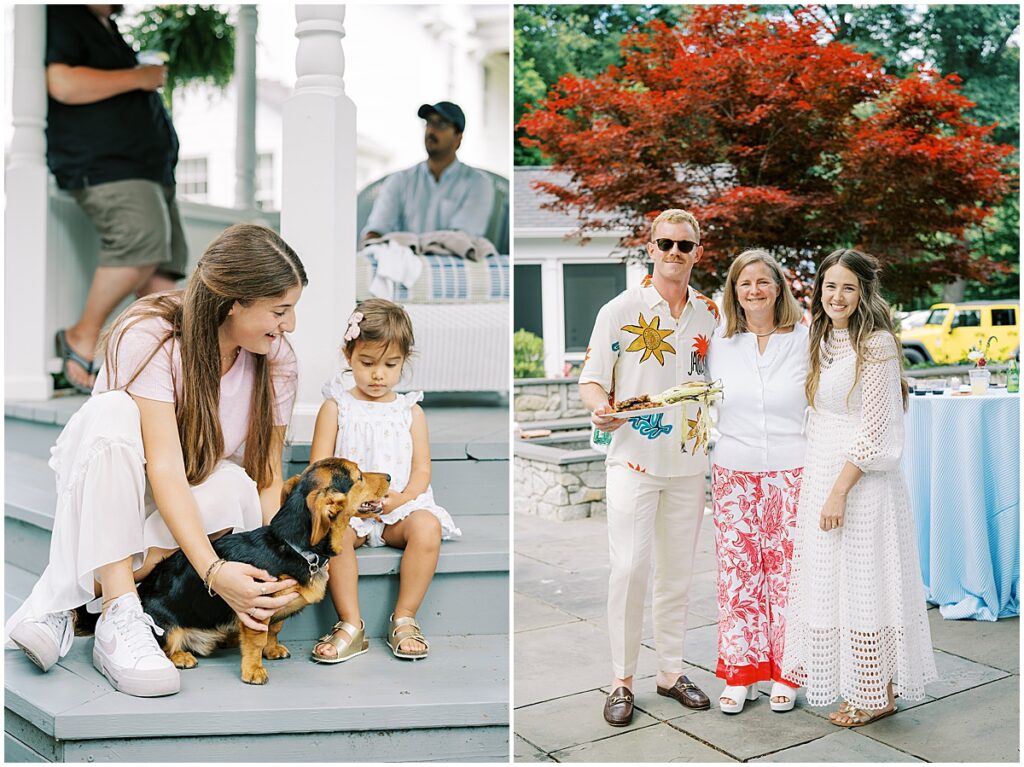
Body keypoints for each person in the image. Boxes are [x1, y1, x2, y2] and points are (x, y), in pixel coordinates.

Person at [5, 224, 307, 697]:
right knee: (112, 409)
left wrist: (282, 559)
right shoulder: (151, 334)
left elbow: (266, 476)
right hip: (115, 488)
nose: (288, 325)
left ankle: (66, 605)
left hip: (182, 504)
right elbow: (163, 469)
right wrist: (212, 571)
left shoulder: (276, 359)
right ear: (234, 302)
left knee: (236, 487)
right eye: (280, 310)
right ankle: (119, 609)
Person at [781, 249, 937, 726]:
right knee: (838, 584)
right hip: (824, 469)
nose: (837, 296)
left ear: (864, 291)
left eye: (848, 287)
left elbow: (877, 431)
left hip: (861, 483)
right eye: (830, 286)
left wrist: (838, 492)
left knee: (866, 583)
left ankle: (876, 694)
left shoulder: (877, 344)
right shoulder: (824, 338)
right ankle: (868, 684)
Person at [579, 209, 719, 727]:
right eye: (666, 244)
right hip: (633, 460)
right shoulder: (619, 309)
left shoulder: (711, 313)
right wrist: (600, 407)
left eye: (685, 246)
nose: (674, 254)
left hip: (688, 462)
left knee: (677, 575)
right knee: (631, 569)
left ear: (697, 252)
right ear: (651, 247)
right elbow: (592, 379)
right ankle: (621, 680)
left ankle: (671, 671)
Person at [308, 298, 461, 663]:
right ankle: (350, 624)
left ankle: (405, 617)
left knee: (427, 528)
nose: (378, 375)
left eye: (390, 365)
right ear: (348, 354)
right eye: (367, 363)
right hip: (349, 512)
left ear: (404, 361)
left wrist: (403, 499)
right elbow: (319, 469)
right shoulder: (337, 407)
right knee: (337, 536)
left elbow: (422, 470)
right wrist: (346, 504)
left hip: (399, 510)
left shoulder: (410, 410)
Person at [46, 4, 187, 394]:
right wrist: (138, 78)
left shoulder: (110, 29)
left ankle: (155, 374)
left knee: (164, 277)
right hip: (109, 166)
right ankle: (80, 337)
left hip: (151, 171)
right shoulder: (63, 17)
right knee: (141, 244)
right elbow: (62, 84)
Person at [707, 249, 807, 714]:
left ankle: (790, 671)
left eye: (763, 282)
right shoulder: (719, 344)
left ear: (778, 288)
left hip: (794, 471)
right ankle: (742, 672)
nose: (753, 290)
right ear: (734, 291)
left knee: (789, 575)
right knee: (740, 576)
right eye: (744, 283)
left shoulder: (805, 339)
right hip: (734, 473)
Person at [360, 101, 495, 243]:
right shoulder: (399, 181)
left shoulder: (478, 184)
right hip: (401, 262)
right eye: (429, 123)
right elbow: (375, 231)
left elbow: (461, 241)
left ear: (458, 138)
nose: (431, 131)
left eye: (441, 124)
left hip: (452, 264)